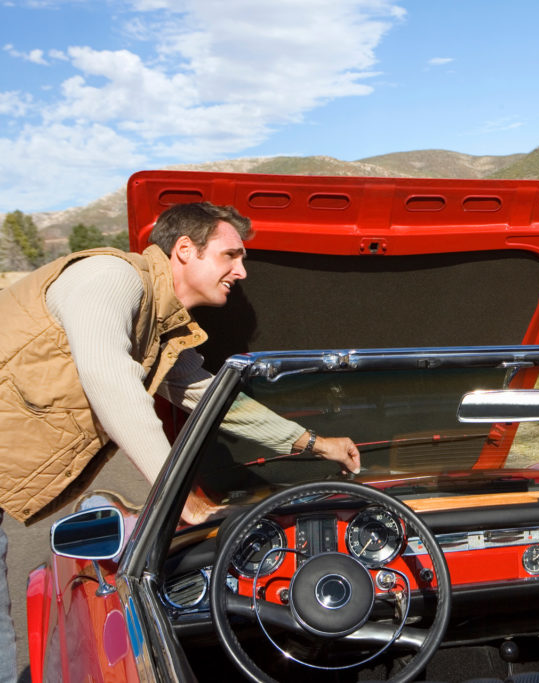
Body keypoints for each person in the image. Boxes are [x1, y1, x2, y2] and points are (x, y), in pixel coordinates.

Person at [0, 201, 361, 679]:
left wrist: (315, 443)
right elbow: (111, 380)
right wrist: (180, 496)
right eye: (231, 255)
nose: (242, 271)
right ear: (186, 250)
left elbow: (213, 397)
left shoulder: (161, 328)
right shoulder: (110, 278)